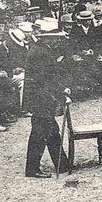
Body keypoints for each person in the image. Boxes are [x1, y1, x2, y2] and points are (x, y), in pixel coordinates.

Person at [23, 19, 71, 178]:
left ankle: (62, 164)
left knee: (51, 131)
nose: (58, 40)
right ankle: (32, 169)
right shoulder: (41, 53)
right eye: (55, 38)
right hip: (40, 98)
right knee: (40, 133)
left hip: (42, 97)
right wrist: (61, 90)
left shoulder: (42, 49)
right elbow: (45, 78)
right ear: (47, 38)